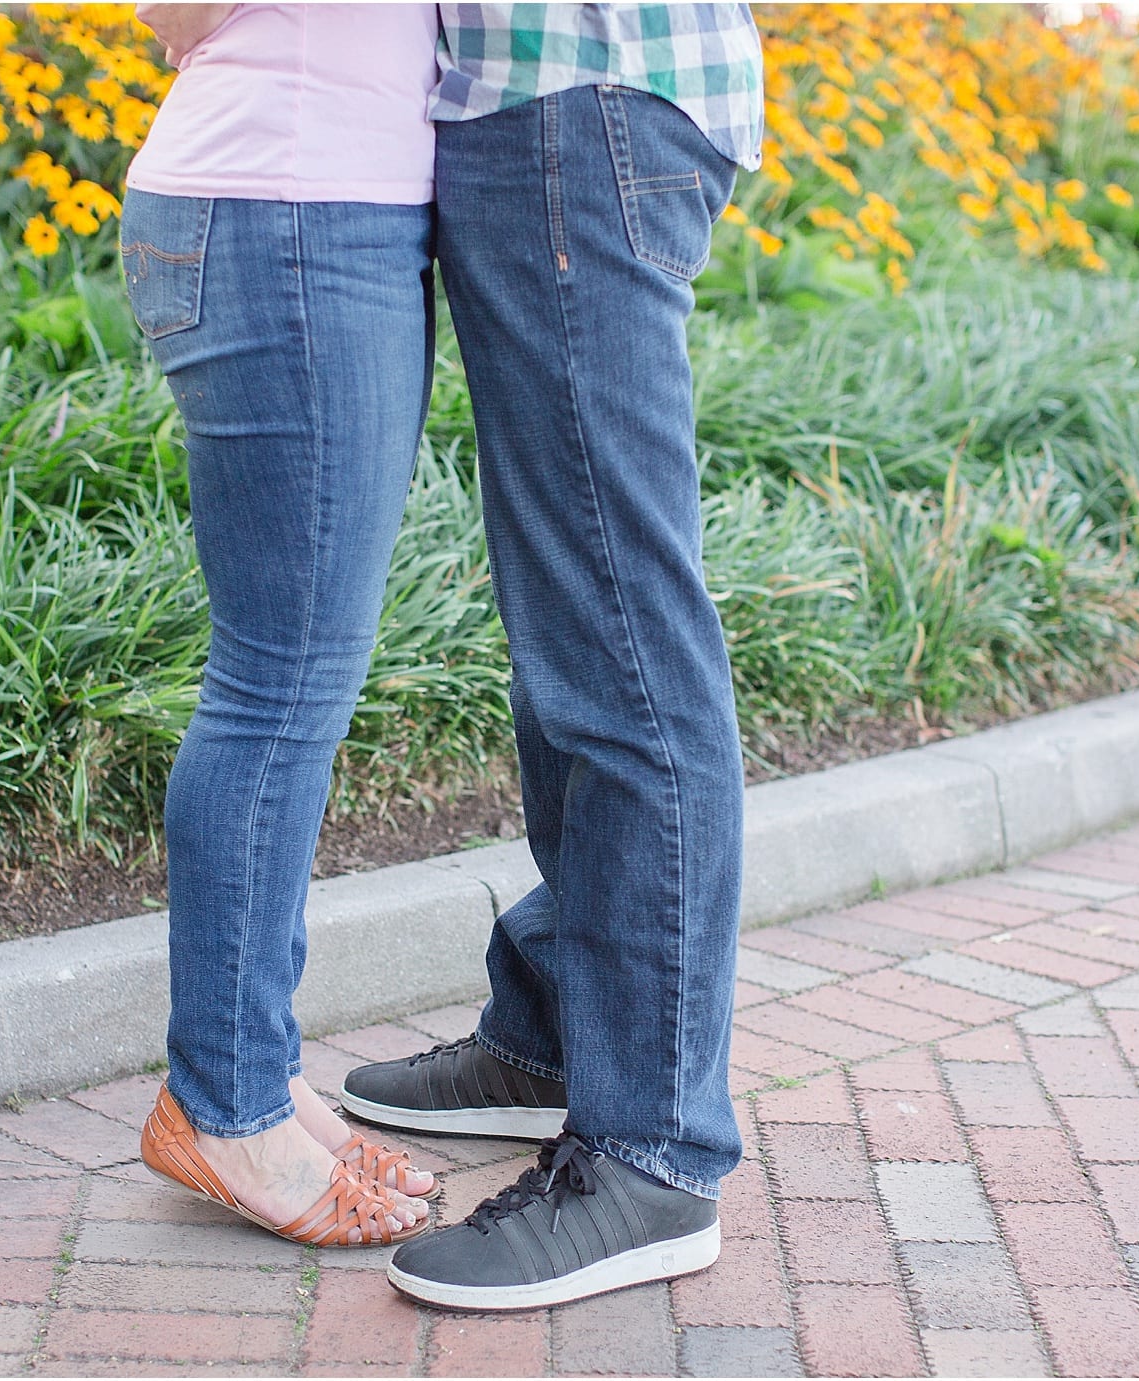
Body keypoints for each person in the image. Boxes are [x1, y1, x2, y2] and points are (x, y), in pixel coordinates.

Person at [339, 2, 764, 1309]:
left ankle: (649, 1152)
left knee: (622, 635)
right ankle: (561, 1035)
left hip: (579, 94)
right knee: (577, 631)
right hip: (554, 101)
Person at [121, 1, 443, 1248]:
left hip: (291, 205)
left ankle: (251, 1072)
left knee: (290, 679)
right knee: (278, 685)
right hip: (294, 215)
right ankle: (225, 1106)